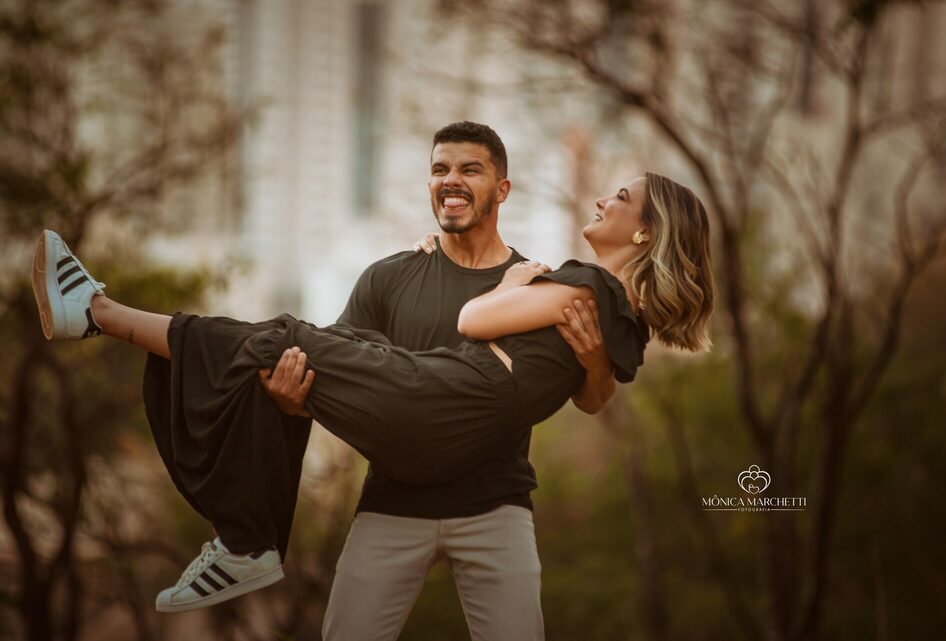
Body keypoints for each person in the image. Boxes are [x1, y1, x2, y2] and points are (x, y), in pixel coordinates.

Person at [33, 147, 714, 624]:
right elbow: (591, 393)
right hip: (437, 430)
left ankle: (96, 313)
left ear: (644, 231)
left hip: (451, 415)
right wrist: (591, 362)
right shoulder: (628, 321)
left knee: (280, 336)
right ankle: (247, 538)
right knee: (296, 346)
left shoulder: (581, 283)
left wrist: (511, 283)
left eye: (620, 198)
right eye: (440, 169)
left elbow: (473, 321)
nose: (602, 199)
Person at [262, 122, 618, 641]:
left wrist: (597, 362)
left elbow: (590, 400)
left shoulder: (536, 287)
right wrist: (290, 399)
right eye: (440, 169)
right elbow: (332, 381)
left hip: (495, 507)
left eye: (470, 169)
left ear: (502, 189)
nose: (451, 179)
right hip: (392, 502)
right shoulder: (388, 277)